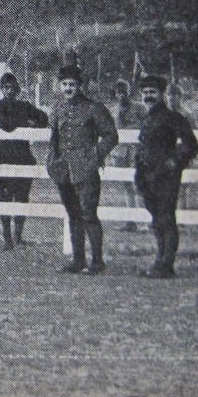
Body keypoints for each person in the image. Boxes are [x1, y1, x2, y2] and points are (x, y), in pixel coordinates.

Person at [45, 63, 119, 274]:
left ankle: (97, 262)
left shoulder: (94, 108)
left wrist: (95, 156)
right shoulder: (58, 109)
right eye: (65, 84)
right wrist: (51, 161)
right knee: (73, 214)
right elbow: (55, 140)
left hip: (85, 170)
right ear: (60, 86)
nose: (68, 88)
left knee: (89, 215)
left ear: (80, 86)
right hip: (64, 171)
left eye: (72, 84)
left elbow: (111, 135)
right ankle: (78, 260)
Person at [134, 75, 198, 278]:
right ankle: (159, 260)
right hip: (147, 176)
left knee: (166, 218)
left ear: (161, 94)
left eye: (152, 92)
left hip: (165, 176)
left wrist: (173, 163)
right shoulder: (147, 118)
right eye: (145, 93)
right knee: (156, 219)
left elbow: (191, 144)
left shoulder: (173, 117)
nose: (148, 96)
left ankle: (167, 264)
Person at [0, 72, 48, 249]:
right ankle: (7, 238)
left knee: (22, 197)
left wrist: (31, 126)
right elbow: (5, 125)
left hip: (23, 157)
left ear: (17, 89)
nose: (9, 91)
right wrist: (23, 123)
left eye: (12, 87)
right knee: (4, 197)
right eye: (6, 87)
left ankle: (18, 236)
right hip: (4, 157)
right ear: (1, 89)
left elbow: (44, 118)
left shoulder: (25, 106)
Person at [108, 78, 145, 226]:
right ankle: (131, 220)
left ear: (129, 92)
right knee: (126, 185)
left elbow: (146, 124)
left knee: (140, 184)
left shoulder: (139, 108)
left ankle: (143, 220)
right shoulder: (113, 110)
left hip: (136, 150)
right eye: (118, 92)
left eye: (124, 92)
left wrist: (130, 129)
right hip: (119, 151)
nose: (121, 95)